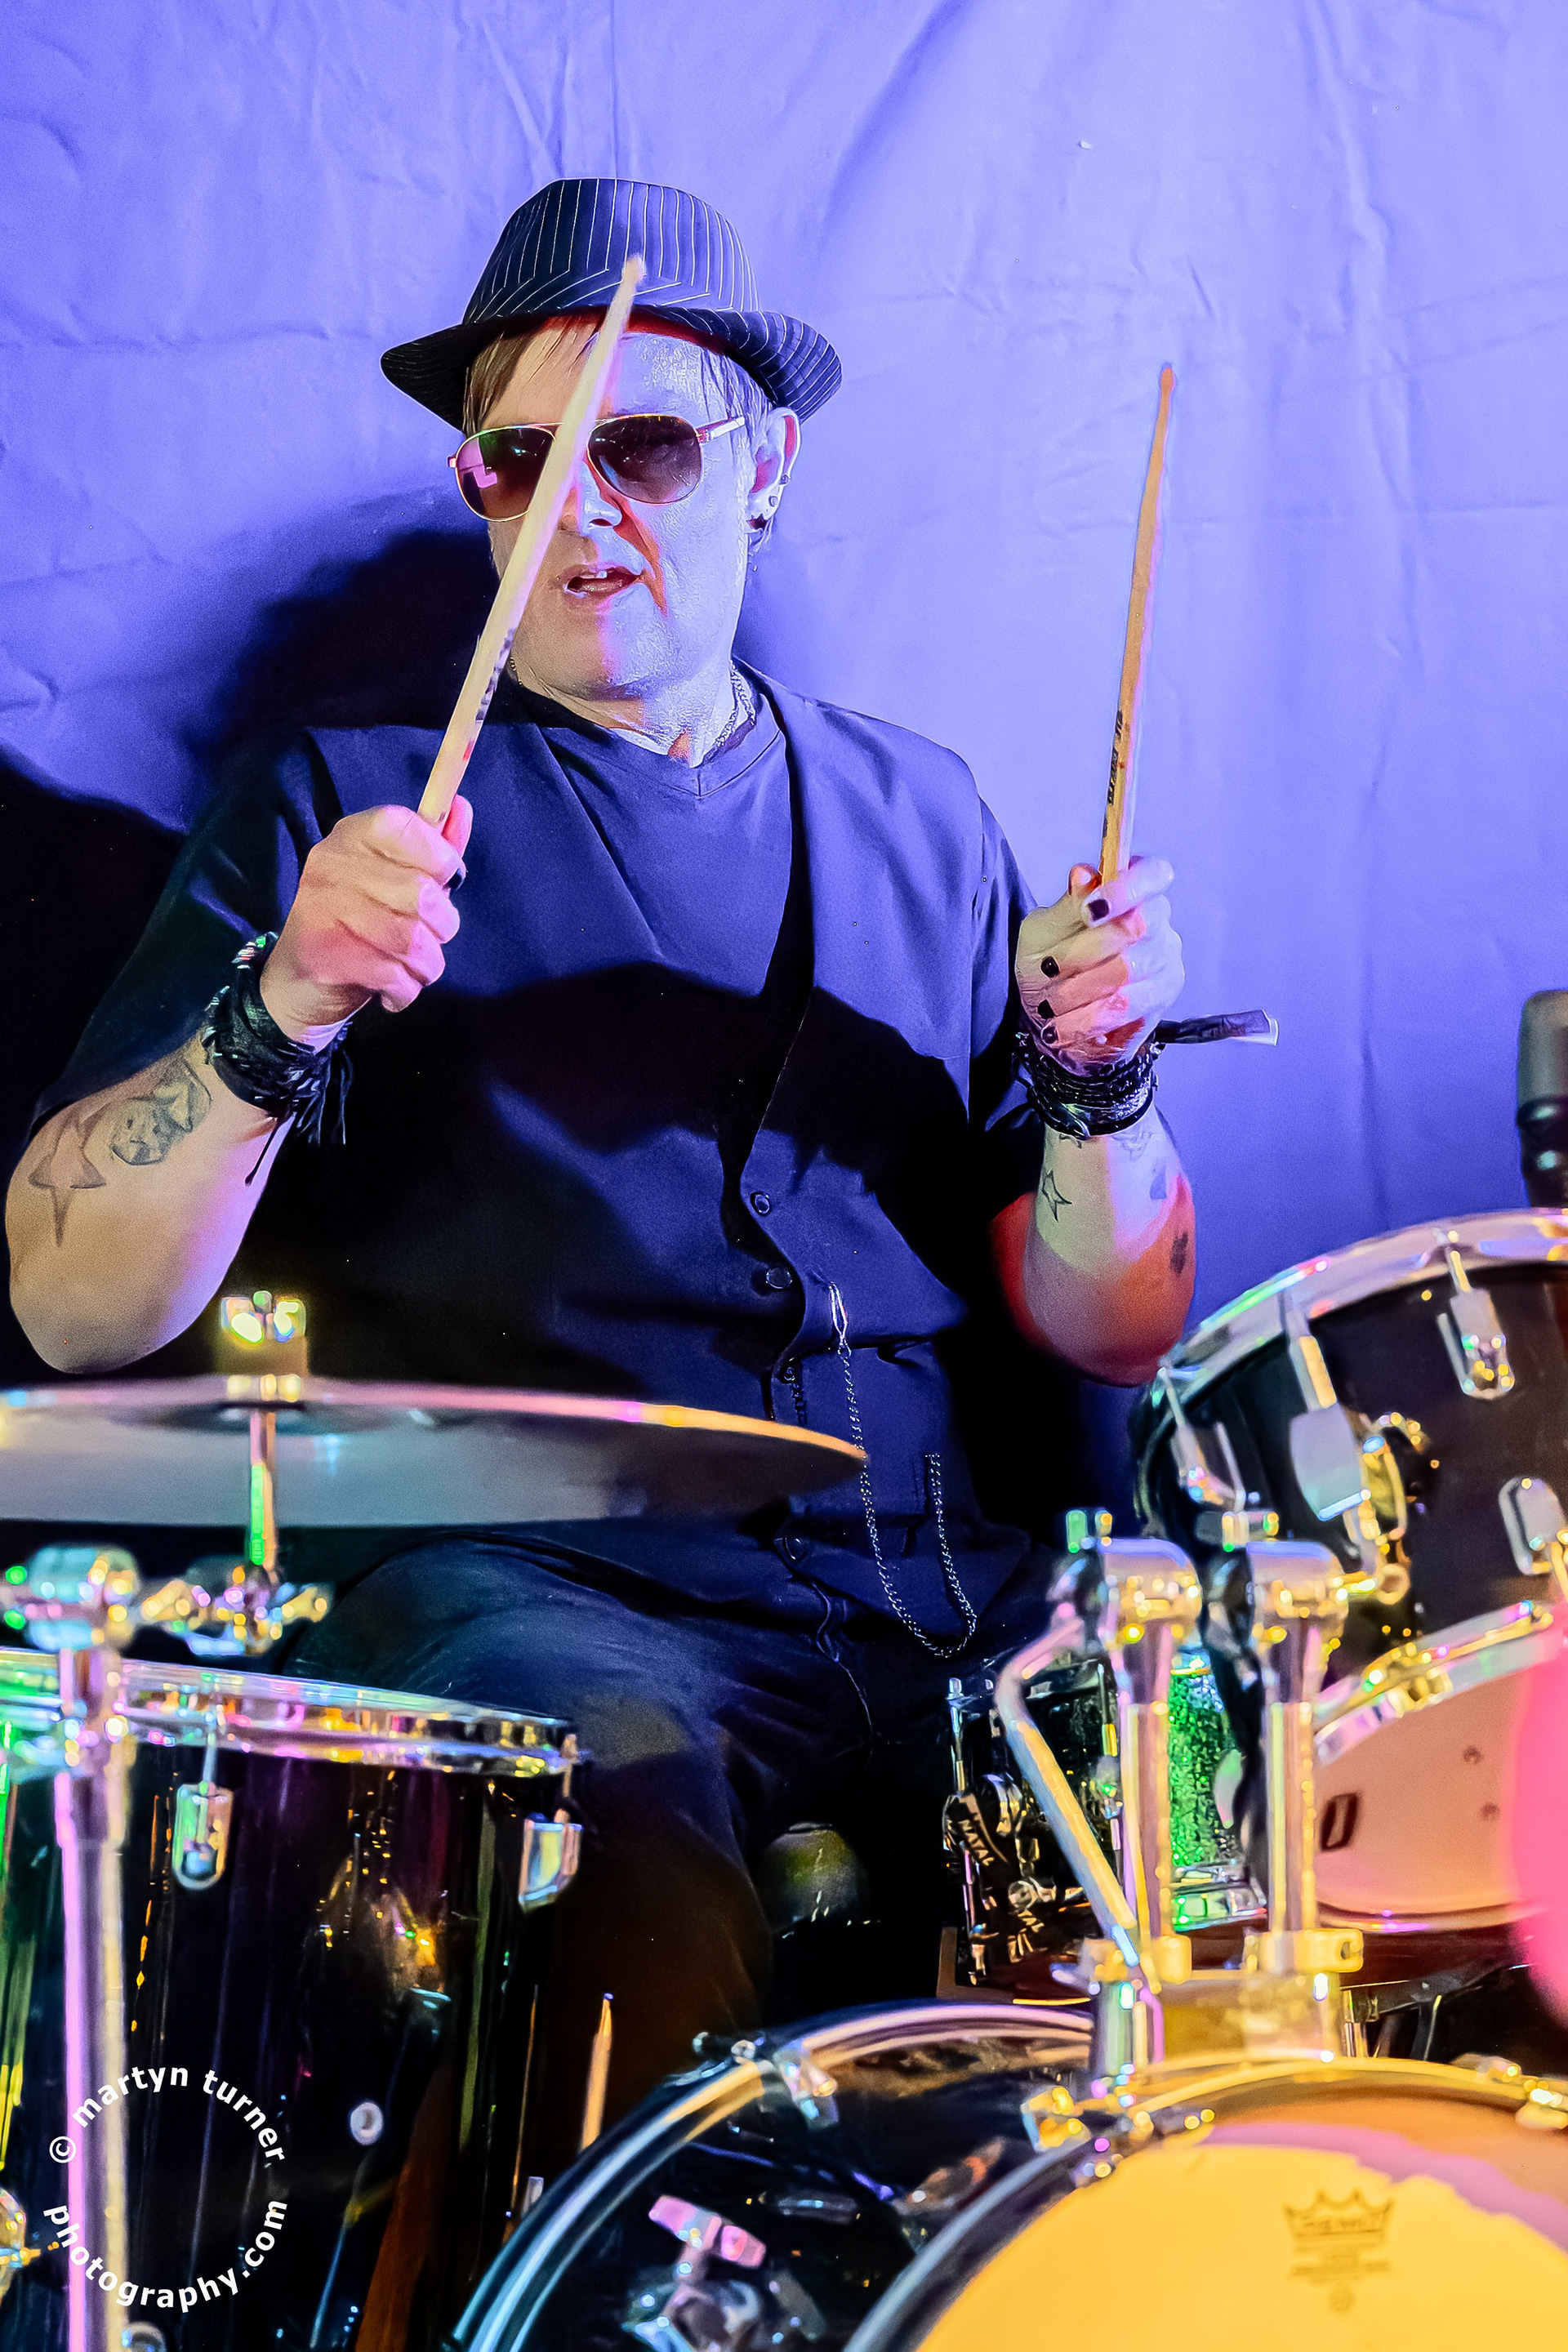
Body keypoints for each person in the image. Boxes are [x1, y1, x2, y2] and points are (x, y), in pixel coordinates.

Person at [7, 180, 1193, 2160]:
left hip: (938, 1595)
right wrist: (278, 1008)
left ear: (767, 466)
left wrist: (1103, 1080)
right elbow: (68, 1304)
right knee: (608, 1820)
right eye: (519, 460)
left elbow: (1112, 1320)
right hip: (544, 1594)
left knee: (1201, 1796)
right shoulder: (343, 810)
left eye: (641, 447)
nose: (577, 507)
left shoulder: (923, 812)